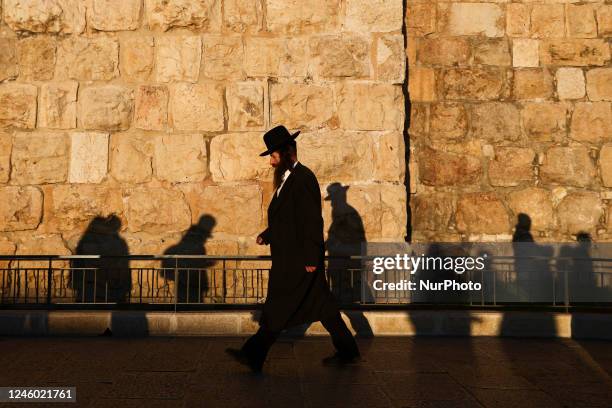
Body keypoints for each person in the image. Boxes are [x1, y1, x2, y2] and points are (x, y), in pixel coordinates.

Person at [225, 125, 361, 373]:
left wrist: (311, 258)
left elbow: (311, 221)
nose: (271, 163)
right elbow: (288, 219)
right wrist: (268, 234)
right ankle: (348, 352)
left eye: (274, 157)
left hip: (299, 261)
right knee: (325, 308)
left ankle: (253, 354)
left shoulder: (303, 178)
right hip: (293, 257)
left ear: (287, 152)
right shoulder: (288, 179)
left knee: (279, 306)